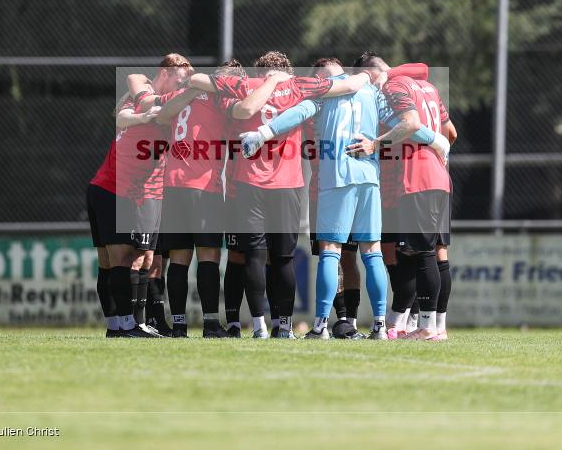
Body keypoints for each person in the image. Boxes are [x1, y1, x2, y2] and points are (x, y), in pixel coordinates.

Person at [241, 58, 442, 339]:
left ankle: (321, 326)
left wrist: (263, 133)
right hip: (369, 178)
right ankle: (380, 327)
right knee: (371, 254)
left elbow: (298, 113)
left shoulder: (324, 92)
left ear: (321, 75)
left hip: (337, 176)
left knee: (330, 251)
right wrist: (436, 140)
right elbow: (408, 125)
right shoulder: (372, 93)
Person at [189, 51, 372, 338]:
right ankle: (283, 326)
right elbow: (349, 86)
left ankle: (259, 326)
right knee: (283, 258)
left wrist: (258, 84)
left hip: (248, 183)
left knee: (253, 257)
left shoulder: (245, 85)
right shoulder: (299, 85)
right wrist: (368, 74)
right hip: (287, 184)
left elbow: (198, 79)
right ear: (287, 70)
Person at [128, 60, 289, 337]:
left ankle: (178, 326)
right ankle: (211, 324)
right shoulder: (220, 99)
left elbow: (158, 110)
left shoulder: (180, 94)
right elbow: (245, 109)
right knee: (209, 257)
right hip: (204, 188)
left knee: (179, 259)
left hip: (172, 185)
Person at [351, 52, 455, 341]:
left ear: (370, 76)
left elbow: (409, 123)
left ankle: (426, 327)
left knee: (421, 254)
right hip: (438, 176)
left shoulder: (393, 87)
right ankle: (432, 326)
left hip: (416, 178)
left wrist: (375, 144)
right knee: (429, 252)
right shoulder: (428, 87)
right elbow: (451, 133)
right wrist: (436, 147)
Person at [89, 54, 194, 338]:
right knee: (123, 259)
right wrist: (145, 114)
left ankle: (126, 325)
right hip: (116, 187)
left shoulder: (167, 103)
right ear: (165, 72)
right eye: (180, 77)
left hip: (133, 188)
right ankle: (124, 325)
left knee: (142, 258)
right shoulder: (140, 90)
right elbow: (124, 113)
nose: (183, 84)